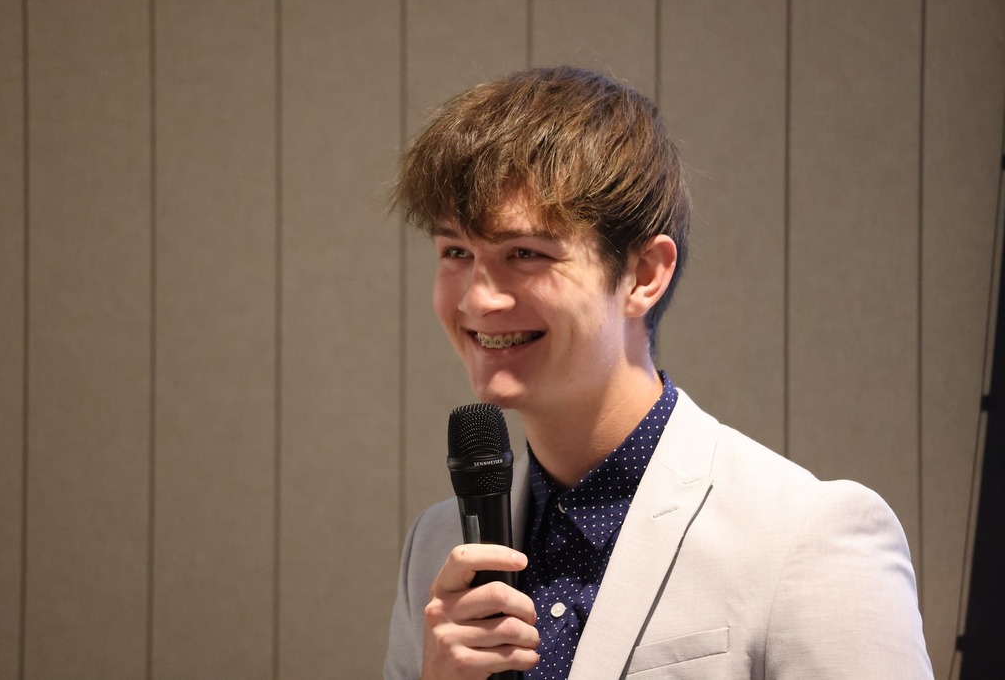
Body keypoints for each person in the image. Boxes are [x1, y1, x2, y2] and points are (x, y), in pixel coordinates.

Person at [383, 65, 933, 680]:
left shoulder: (807, 534)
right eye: (456, 252)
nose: (479, 300)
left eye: (526, 255)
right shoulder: (438, 546)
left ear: (645, 274)